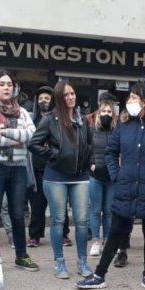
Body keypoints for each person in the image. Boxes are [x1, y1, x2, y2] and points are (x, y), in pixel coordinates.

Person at [76, 82, 145, 290]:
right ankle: (99, 275)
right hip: (125, 188)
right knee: (115, 232)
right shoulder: (124, 126)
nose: (128, 101)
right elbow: (111, 152)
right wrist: (116, 175)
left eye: (133, 97)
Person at [30, 81, 93, 279]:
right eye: (66, 95)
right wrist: (53, 154)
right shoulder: (49, 119)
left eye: (73, 93)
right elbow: (34, 143)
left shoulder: (82, 119)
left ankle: (82, 261)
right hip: (56, 176)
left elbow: (89, 144)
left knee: (82, 221)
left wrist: (88, 159)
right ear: (59, 97)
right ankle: (59, 262)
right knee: (57, 220)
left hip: (80, 176)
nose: (71, 97)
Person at [0, 70, 39, 271]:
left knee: (18, 214)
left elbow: (30, 134)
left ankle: (21, 256)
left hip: (18, 169)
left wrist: (4, 132)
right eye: (2, 84)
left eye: (9, 84)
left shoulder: (21, 112)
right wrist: (15, 139)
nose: (6, 87)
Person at [27, 85, 72, 248]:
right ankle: (35, 235)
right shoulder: (31, 119)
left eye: (47, 98)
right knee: (37, 204)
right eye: (40, 99)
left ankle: (64, 234)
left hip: (56, 167)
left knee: (60, 203)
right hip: (38, 169)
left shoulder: (59, 118)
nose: (43, 101)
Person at [88, 100, 117, 257]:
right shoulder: (92, 130)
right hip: (95, 176)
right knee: (95, 210)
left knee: (108, 211)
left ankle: (108, 240)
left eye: (109, 112)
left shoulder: (116, 131)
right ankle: (95, 241)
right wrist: (90, 163)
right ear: (98, 113)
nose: (106, 114)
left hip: (111, 177)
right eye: (104, 111)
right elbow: (86, 149)